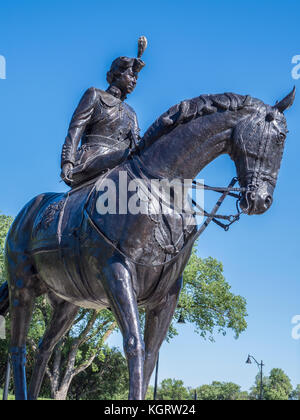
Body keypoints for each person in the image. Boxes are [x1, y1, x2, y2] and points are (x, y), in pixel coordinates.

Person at [60, 36, 147, 187]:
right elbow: (75, 129)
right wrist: (68, 160)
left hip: (122, 167)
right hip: (92, 160)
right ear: (118, 74)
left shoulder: (132, 113)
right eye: (131, 75)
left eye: (137, 78)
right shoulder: (95, 95)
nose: (135, 81)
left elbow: (137, 147)